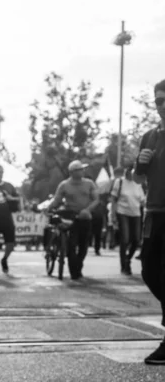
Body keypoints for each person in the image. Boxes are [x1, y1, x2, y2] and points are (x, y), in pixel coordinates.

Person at [135, 79, 165, 365]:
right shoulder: (149, 136)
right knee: (149, 271)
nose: (162, 105)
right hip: (154, 212)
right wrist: (141, 163)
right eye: (158, 101)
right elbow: (137, 177)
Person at [47, 160, 98, 280]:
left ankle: (78, 266)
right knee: (71, 244)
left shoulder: (89, 183)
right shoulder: (64, 185)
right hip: (70, 217)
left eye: (82, 169)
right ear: (73, 172)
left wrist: (87, 210)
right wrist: (49, 208)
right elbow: (57, 200)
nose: (83, 171)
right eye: (80, 169)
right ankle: (74, 272)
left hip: (85, 217)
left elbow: (96, 199)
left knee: (83, 245)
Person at [110, 166, 145, 275]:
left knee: (136, 240)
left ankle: (128, 258)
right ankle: (124, 266)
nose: (129, 174)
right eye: (128, 171)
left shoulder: (138, 184)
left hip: (136, 214)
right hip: (122, 212)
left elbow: (143, 201)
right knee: (125, 239)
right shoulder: (119, 182)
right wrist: (113, 215)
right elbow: (113, 200)